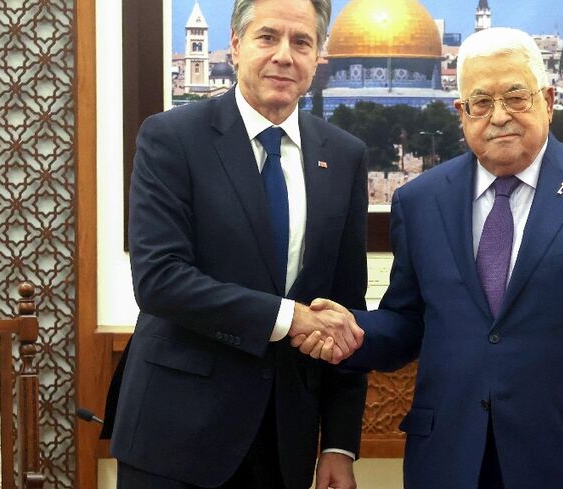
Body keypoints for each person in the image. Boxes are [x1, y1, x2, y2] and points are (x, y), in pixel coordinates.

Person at [296, 27, 563, 489]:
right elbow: (408, 320)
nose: (499, 116)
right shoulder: (420, 201)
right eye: (481, 102)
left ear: (549, 99)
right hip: (451, 458)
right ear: (461, 113)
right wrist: (353, 333)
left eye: (516, 97)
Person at [107, 0, 368, 488]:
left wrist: (338, 442)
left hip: (284, 439)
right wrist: (290, 318)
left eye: (302, 42)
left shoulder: (345, 156)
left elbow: (343, 306)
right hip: (175, 437)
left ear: (319, 56)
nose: (284, 56)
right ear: (236, 45)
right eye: (267, 37)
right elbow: (160, 279)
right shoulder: (171, 138)